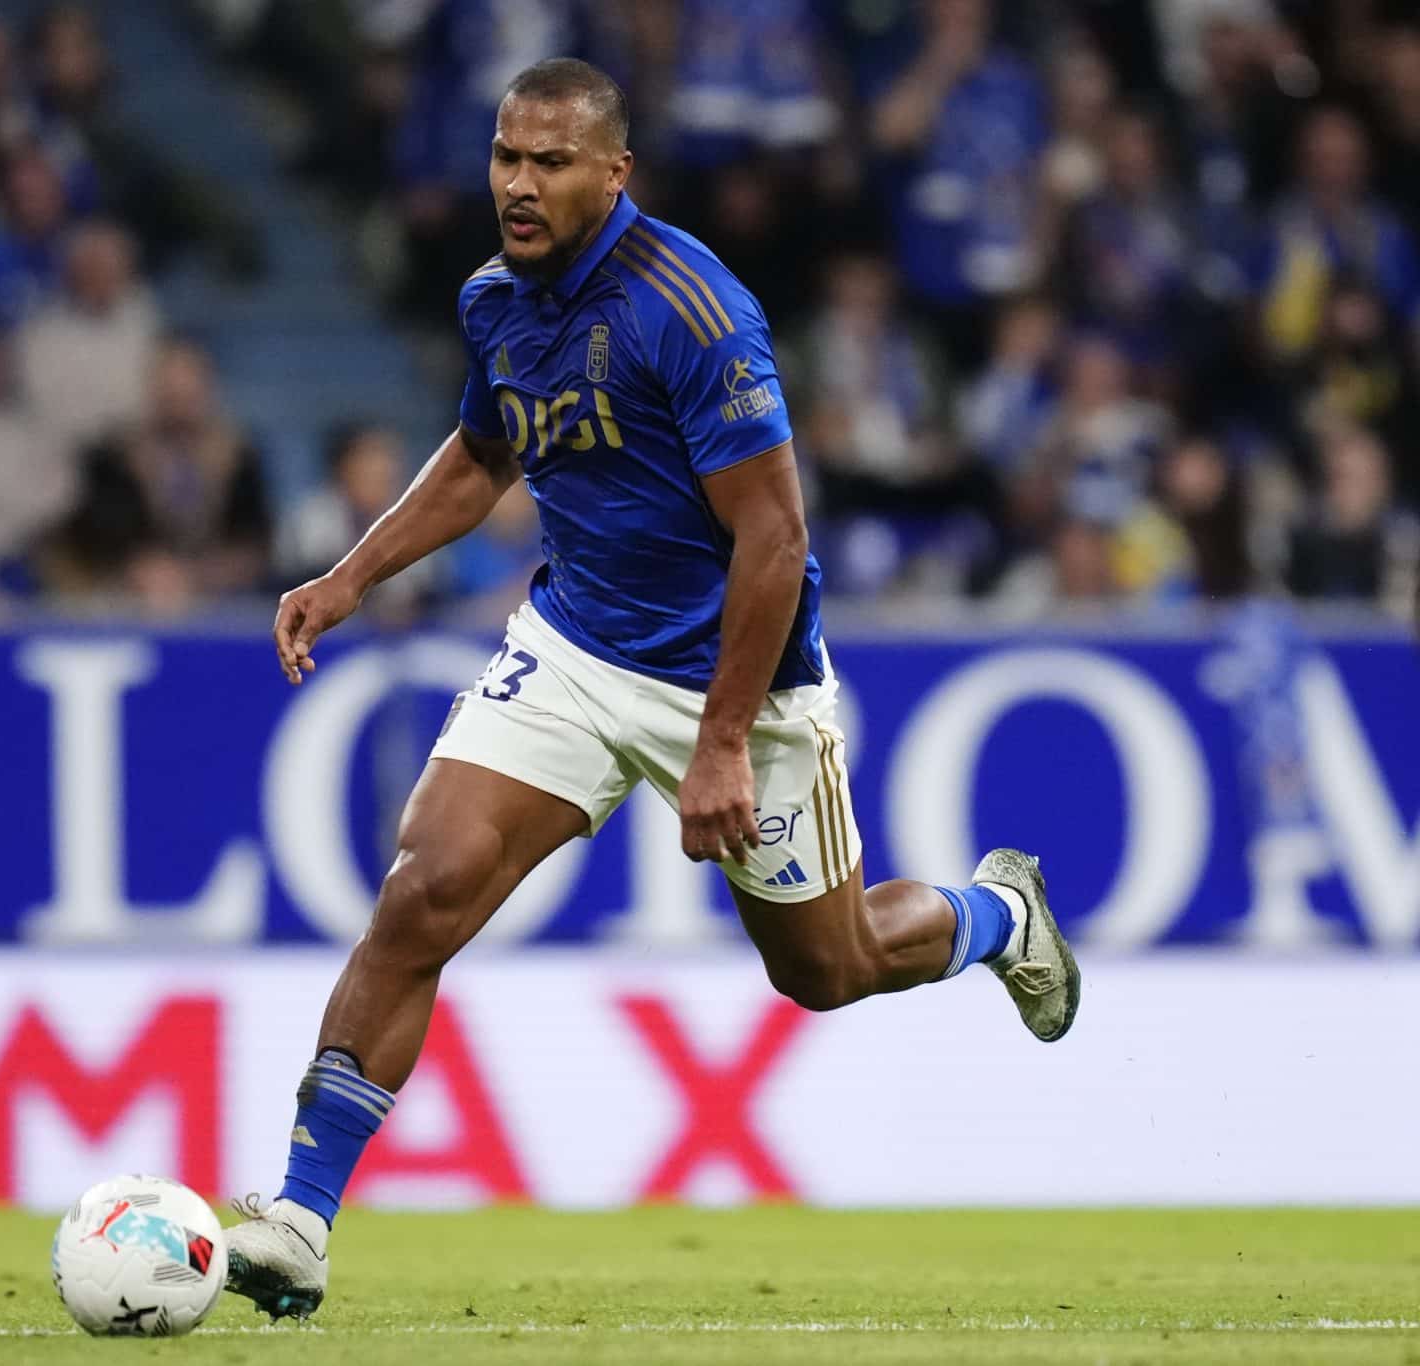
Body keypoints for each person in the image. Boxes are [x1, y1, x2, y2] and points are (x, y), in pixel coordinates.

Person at [226, 59, 1081, 1320]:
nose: (518, 185)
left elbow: (774, 540)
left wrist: (722, 742)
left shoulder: (691, 311)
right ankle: (299, 1215)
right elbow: (481, 454)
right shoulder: (491, 298)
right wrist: (351, 574)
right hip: (574, 649)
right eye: (505, 157)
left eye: (549, 162)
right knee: (426, 889)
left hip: (737, 680)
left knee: (827, 968)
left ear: (612, 172)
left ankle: (998, 916)